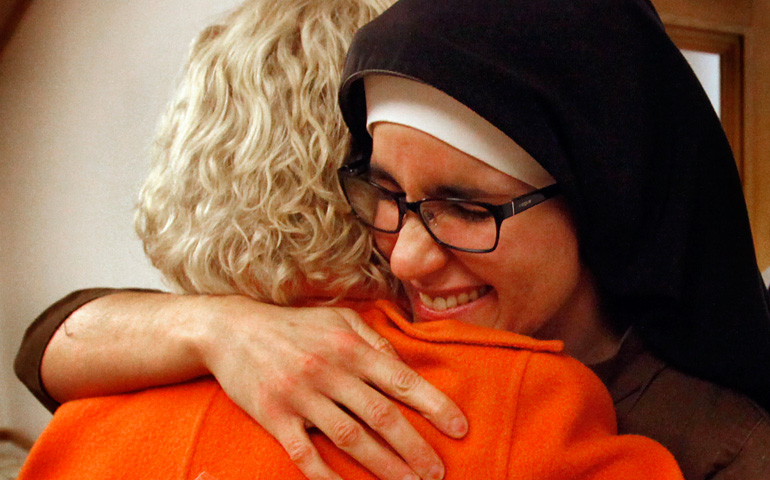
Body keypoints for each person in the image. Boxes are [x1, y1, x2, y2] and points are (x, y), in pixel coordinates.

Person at [16, 0, 770, 478]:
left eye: (466, 207)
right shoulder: (334, 337)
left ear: (600, 194)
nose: (406, 257)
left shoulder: (725, 444)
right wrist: (222, 328)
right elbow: (44, 344)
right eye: (387, 195)